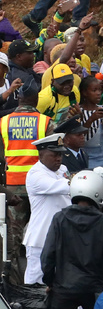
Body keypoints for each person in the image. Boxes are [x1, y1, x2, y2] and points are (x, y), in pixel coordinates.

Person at [42, 170, 103, 309]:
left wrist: (50, 281)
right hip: (94, 289)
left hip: (63, 287)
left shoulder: (59, 218)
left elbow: (48, 255)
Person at [1, 81, 51, 258]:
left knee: (14, 233)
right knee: (41, 230)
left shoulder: (3, 122)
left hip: (12, 185)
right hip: (38, 184)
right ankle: (38, 276)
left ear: (18, 98)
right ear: (36, 100)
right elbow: (52, 155)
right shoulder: (45, 122)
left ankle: (12, 278)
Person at [23, 134, 71, 284]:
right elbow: (64, 186)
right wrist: (86, 177)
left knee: (65, 282)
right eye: (54, 154)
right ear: (41, 154)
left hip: (62, 236)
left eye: (60, 154)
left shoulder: (62, 169)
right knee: (36, 285)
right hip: (41, 239)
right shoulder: (35, 175)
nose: (59, 158)